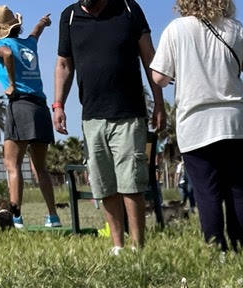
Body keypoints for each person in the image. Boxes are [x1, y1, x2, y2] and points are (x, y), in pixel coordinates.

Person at [149, 0, 243, 251]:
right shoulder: (235, 28)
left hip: (195, 122)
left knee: (206, 191)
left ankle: (216, 247)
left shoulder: (176, 29)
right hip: (234, 121)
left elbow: (159, 76)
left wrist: (185, 71)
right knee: (237, 189)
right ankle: (240, 246)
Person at [54, 0, 166, 253]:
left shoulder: (128, 8)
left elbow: (149, 56)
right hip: (92, 117)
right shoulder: (69, 17)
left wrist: (159, 102)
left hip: (128, 113)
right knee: (104, 184)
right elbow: (64, 64)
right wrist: (58, 104)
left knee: (131, 182)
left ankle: (138, 246)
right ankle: (118, 246)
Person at [0, 6, 62, 228]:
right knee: (40, 168)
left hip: (19, 105)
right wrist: (42, 23)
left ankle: (16, 217)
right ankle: (53, 216)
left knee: (12, 165)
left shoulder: (1, 45)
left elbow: (8, 54)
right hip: (40, 107)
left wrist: (11, 83)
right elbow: (36, 33)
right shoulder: (29, 43)